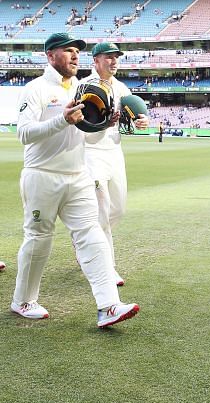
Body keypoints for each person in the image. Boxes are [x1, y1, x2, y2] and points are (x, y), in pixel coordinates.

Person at [11, 32, 138, 327]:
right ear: (50, 55)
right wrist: (61, 120)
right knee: (39, 240)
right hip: (43, 176)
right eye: (67, 51)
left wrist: (104, 125)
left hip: (78, 175)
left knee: (92, 235)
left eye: (77, 51)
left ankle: (108, 306)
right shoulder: (36, 89)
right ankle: (23, 300)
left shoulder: (84, 88)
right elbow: (24, 133)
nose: (74, 56)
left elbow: (88, 140)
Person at [82, 42, 149, 287]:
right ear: (96, 61)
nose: (114, 61)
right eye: (108, 57)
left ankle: (86, 241)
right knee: (102, 210)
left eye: (116, 57)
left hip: (114, 152)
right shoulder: (85, 86)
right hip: (91, 152)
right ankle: (106, 266)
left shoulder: (121, 87)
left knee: (117, 209)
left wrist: (141, 120)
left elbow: (133, 114)